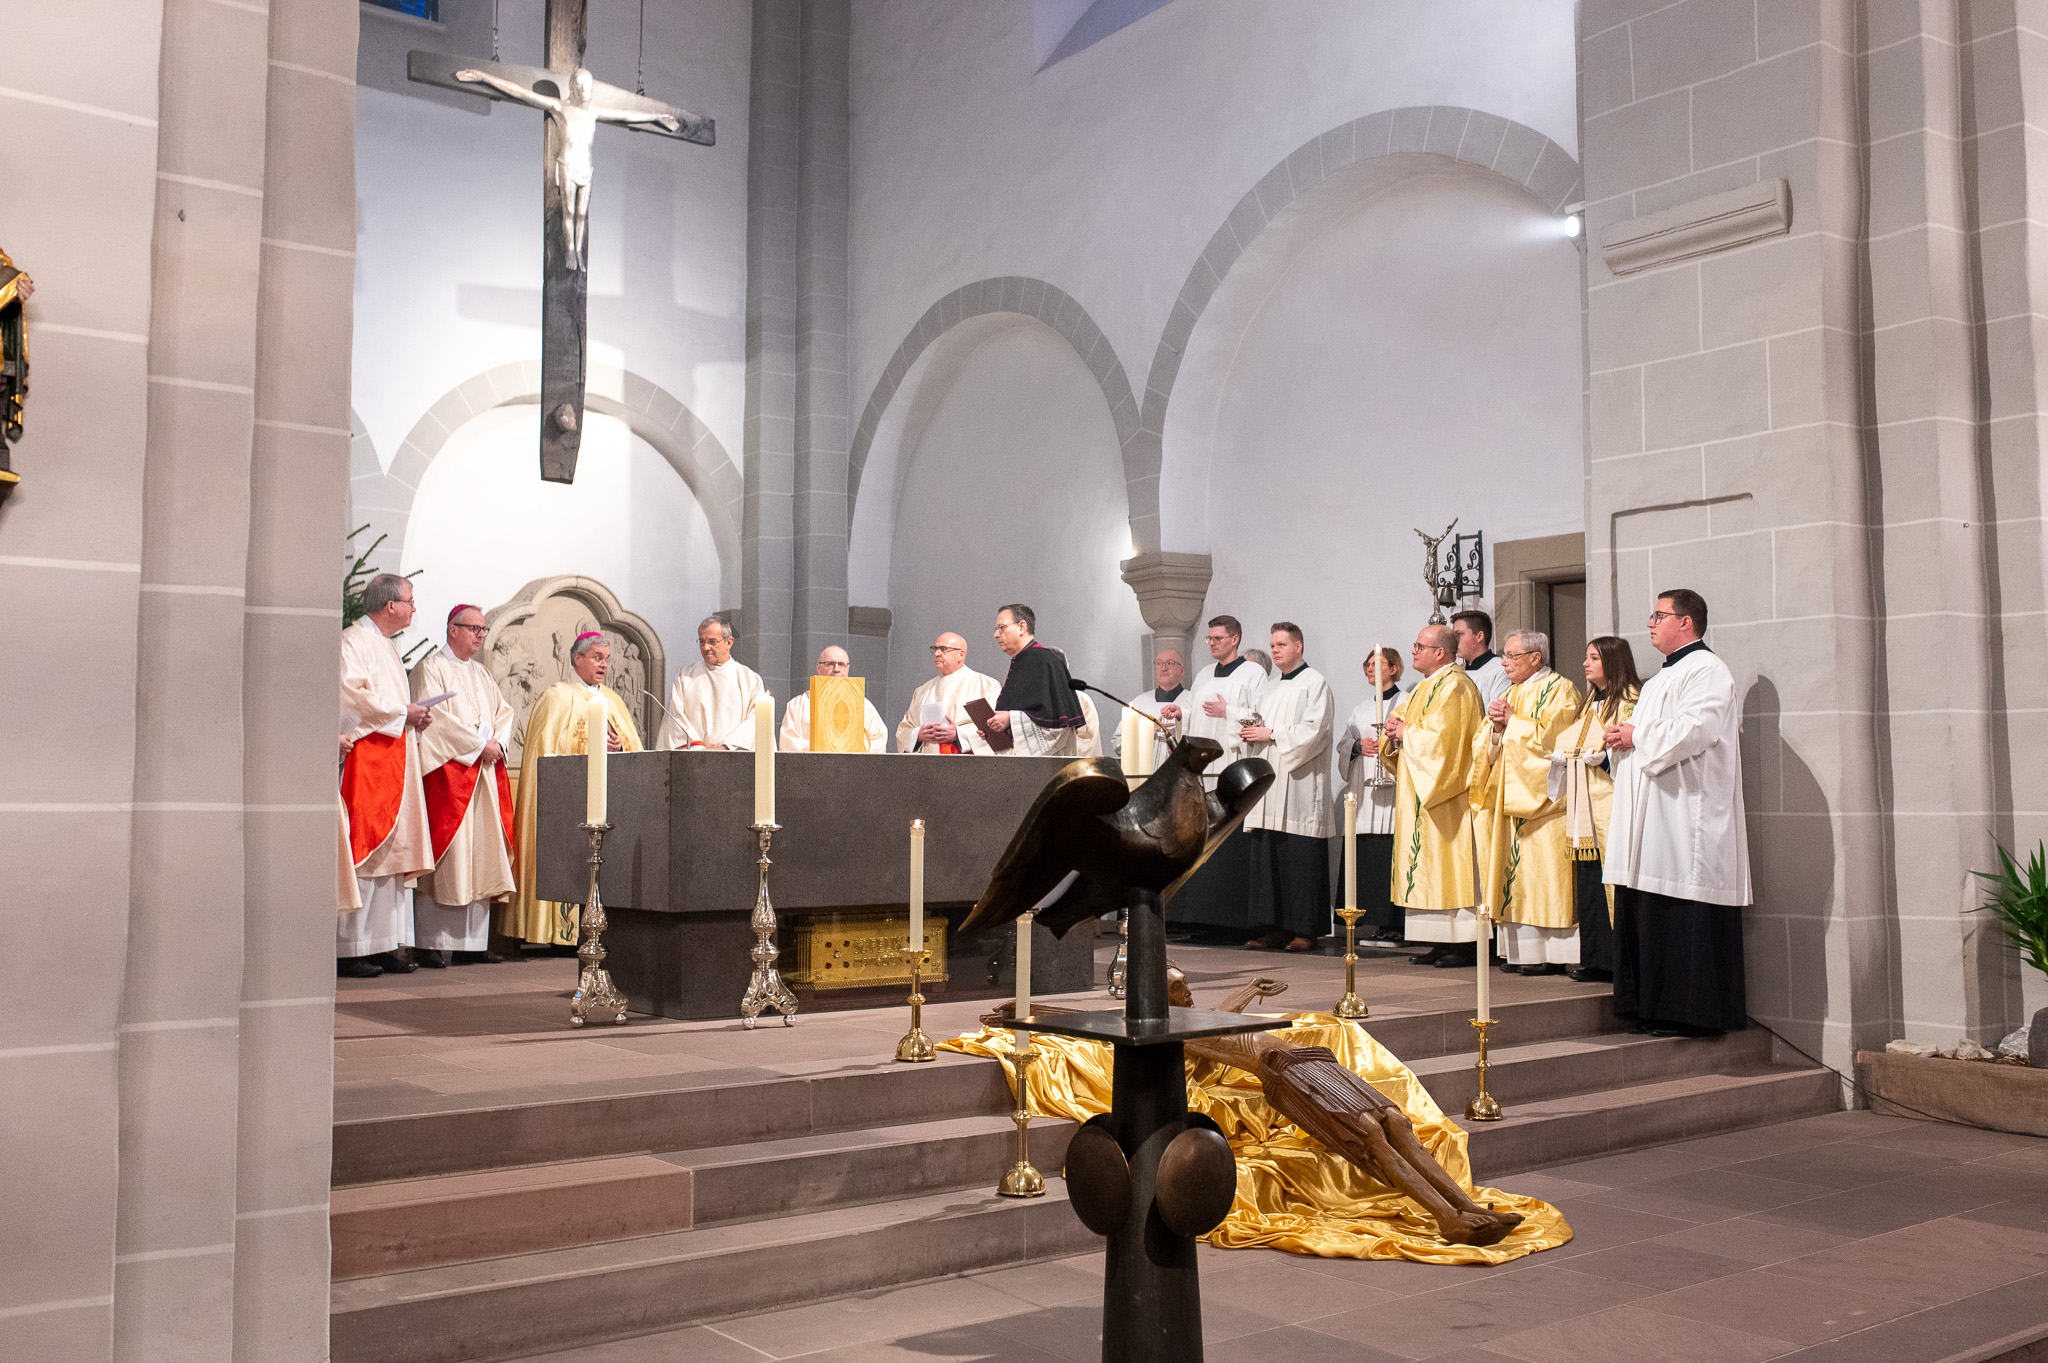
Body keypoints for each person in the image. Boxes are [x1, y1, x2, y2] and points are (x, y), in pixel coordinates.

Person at [1604, 589, 1750, 1036]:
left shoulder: (1707, 670)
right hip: (1651, 815)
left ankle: (1687, 1014)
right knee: (1645, 904)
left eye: (1659, 615)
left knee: (1678, 906)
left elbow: (1696, 729)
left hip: (1685, 815)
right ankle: (1647, 1006)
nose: (1650, 623)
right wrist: (1622, 738)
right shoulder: (1658, 680)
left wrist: (1635, 735)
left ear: (1686, 622)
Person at [505, 632, 644, 948]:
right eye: (597, 657)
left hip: (608, 800)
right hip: (568, 801)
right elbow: (546, 752)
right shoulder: (557, 697)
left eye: (607, 659)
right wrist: (590, 744)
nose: (603, 665)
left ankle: (604, 929)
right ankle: (562, 934)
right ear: (577, 658)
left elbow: (633, 747)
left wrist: (619, 745)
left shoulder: (613, 700)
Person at [1368, 624, 1483, 968]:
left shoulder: (1457, 686)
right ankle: (1437, 941)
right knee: (1426, 865)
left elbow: (1449, 742)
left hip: (1446, 797)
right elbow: (1406, 726)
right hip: (1418, 793)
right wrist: (1393, 731)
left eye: (1420, 646)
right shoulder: (1423, 687)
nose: (1413, 651)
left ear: (1441, 653)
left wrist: (1408, 733)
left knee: (1449, 865)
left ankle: (1462, 944)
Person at [1469, 631, 1583, 976]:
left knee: (1545, 872)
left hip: (1546, 804)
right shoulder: (1508, 693)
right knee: (1513, 874)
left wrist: (1512, 722)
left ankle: (1554, 953)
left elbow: (1556, 742)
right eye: (1504, 655)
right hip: (1508, 797)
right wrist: (1495, 730)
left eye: (1512, 656)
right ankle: (1521, 953)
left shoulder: (1562, 690)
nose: (1504, 663)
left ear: (1536, 657)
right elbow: (1482, 743)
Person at [409, 605, 517, 966]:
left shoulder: (482, 673)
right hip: (450, 776)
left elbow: (504, 713)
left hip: (483, 774)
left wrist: (497, 744)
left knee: (481, 853)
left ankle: (472, 945)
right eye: (473, 628)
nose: (480, 635)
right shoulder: (431, 668)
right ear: (452, 629)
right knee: (450, 856)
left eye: (483, 630)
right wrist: (477, 746)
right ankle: (430, 942)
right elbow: (434, 721)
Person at [338, 574, 433, 978]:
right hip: (369, 760)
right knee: (367, 850)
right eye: (410, 600)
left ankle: (383, 944)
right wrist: (401, 714)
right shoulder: (353, 641)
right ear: (390, 605)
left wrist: (413, 718)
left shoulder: (386, 645)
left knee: (392, 856)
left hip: (395, 757)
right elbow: (350, 697)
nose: (414, 608)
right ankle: (351, 949)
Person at [1159, 616, 1267, 938]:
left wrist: (1227, 713)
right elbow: (1195, 714)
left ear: (1235, 639)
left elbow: (1261, 717)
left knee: (1230, 844)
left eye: (1218, 638)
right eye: (1209, 639)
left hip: (1233, 766)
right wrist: (1182, 714)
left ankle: (1233, 924)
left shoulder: (1254, 674)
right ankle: (1202, 919)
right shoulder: (1204, 674)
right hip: (1204, 770)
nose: (1212, 643)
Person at [1239, 623, 1335, 951]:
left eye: (1281, 644)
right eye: (1272, 645)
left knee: (1299, 858)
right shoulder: (1268, 688)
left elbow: (1317, 731)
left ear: (1298, 647)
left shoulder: (1315, 683)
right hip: (1270, 785)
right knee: (1269, 857)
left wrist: (1272, 734)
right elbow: (1260, 727)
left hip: (1299, 785)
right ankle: (1274, 928)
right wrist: (1251, 733)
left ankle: (1305, 930)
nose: (1275, 650)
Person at [1555, 636, 1643, 982]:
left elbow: (1634, 750)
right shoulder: (1590, 702)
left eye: (1593, 658)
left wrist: (1606, 758)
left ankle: (1618, 961)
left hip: (1612, 802)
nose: (1585, 664)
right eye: (1586, 657)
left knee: (1613, 880)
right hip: (1585, 804)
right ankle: (1595, 957)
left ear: (1613, 661)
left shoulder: (1631, 701)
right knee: (1590, 880)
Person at [1336, 647, 1405, 942]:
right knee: (1367, 857)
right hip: (1364, 794)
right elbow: (1344, 743)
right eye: (1367, 664)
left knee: (1390, 854)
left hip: (1393, 793)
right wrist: (1356, 746)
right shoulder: (1361, 708)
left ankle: (1396, 924)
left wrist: (1393, 742)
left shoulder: (1407, 701)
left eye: (1377, 664)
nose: (1370, 668)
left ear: (1394, 668)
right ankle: (1373, 921)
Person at [974, 604, 1090, 755]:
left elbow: (1058, 727)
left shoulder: (1046, 662)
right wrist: (997, 729)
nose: (996, 635)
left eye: (1001, 628)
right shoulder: (1022, 661)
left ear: (1022, 627)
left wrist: (1010, 719)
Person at [656, 616, 765, 750]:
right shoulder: (685, 678)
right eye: (702, 641)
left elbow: (756, 723)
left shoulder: (750, 680)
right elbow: (675, 720)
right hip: (694, 758)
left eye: (712, 642)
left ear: (729, 642)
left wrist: (725, 748)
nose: (705, 647)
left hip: (735, 757)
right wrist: (702, 752)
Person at [896, 631, 1001, 754]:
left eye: (943, 649)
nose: (937, 654)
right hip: (928, 762)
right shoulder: (922, 691)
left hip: (967, 762)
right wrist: (918, 735)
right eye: (935, 649)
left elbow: (994, 728)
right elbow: (904, 730)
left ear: (961, 655)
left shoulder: (985, 685)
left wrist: (958, 734)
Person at [779, 645, 888, 751]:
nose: (836, 669)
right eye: (830, 664)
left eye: (841, 664)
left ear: (847, 668)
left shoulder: (864, 706)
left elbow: (878, 739)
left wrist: (849, 750)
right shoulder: (798, 705)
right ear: (818, 668)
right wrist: (827, 750)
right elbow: (789, 743)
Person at [1452, 609, 1509, 707]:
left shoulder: (1501, 669)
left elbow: (1495, 711)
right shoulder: (1456, 671)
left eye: (1459, 634)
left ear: (1479, 636)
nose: (1454, 641)